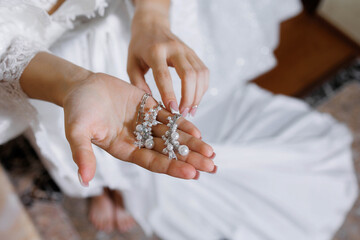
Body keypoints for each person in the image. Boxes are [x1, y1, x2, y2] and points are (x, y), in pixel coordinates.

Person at [0, 0, 357, 239]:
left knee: (174, 97)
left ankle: (120, 183)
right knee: (99, 128)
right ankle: (106, 186)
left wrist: (152, 20)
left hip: (140, 18)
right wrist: (72, 83)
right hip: (36, 48)